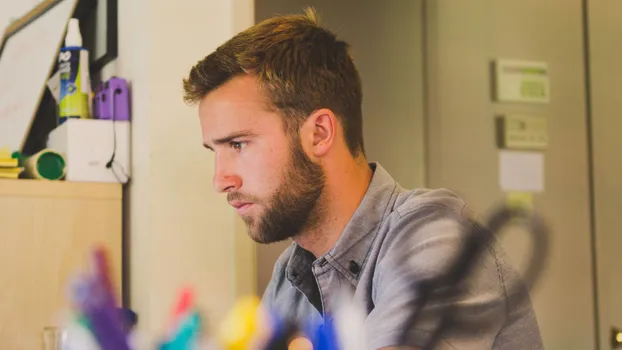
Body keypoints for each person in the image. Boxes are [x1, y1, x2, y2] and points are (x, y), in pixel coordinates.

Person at [182, 8, 544, 350]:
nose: (221, 180)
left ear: (320, 133)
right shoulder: (289, 278)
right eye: (214, 151)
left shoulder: (437, 235)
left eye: (238, 144)